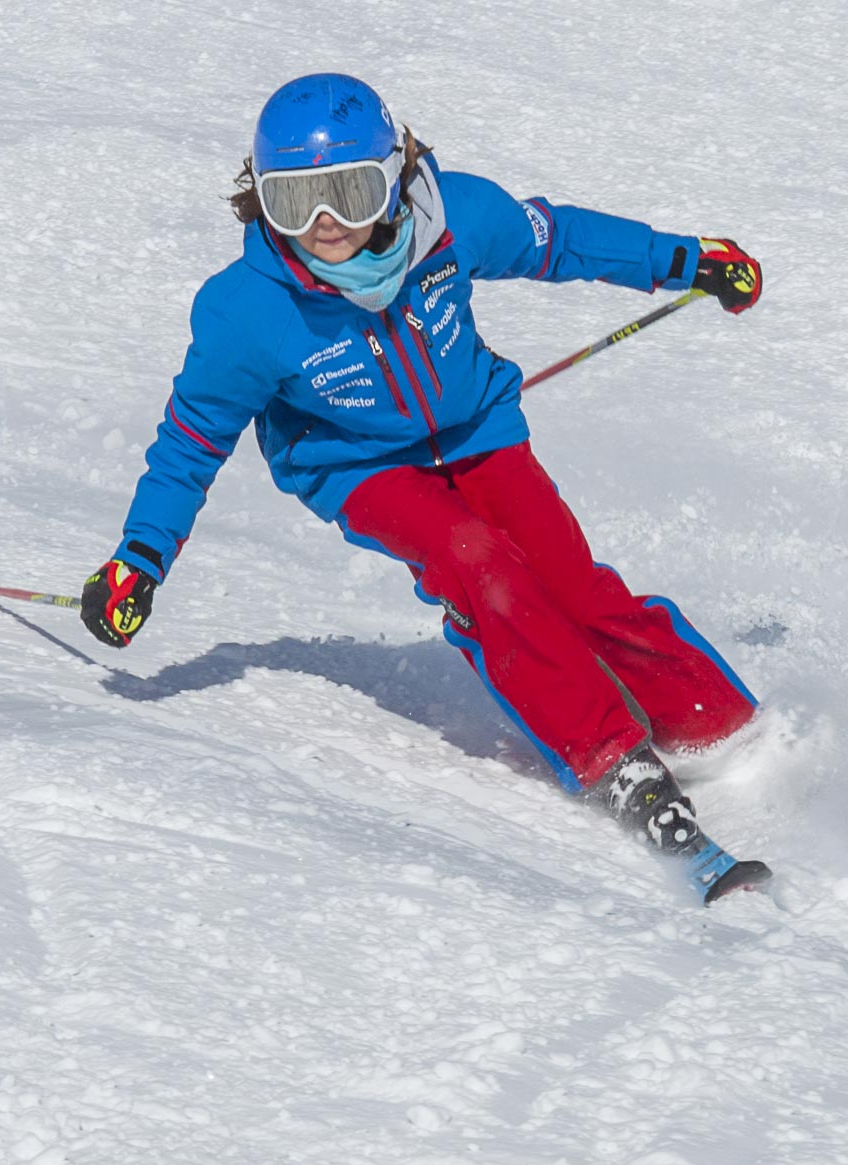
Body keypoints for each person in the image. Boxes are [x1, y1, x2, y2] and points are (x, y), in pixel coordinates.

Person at [79, 73, 769, 902]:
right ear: (260, 199)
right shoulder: (246, 311)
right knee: (479, 564)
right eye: (294, 202)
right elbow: (192, 438)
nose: (325, 222)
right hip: (358, 466)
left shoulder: (451, 219)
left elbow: (560, 241)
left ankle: (721, 726)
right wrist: (140, 558)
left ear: (392, 177)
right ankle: (614, 759)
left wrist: (685, 260)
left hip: (477, 431)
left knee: (572, 587)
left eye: (349, 192)